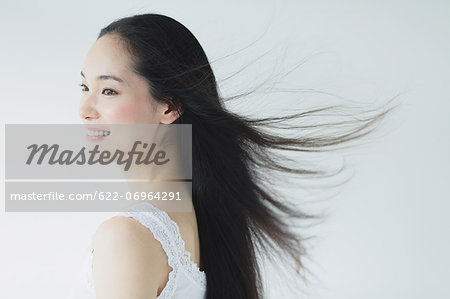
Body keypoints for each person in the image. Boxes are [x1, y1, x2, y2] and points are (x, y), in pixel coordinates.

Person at [68, 13, 399, 299]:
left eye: (108, 90)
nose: (85, 110)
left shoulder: (127, 235)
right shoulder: (190, 218)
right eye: (84, 87)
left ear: (169, 106)